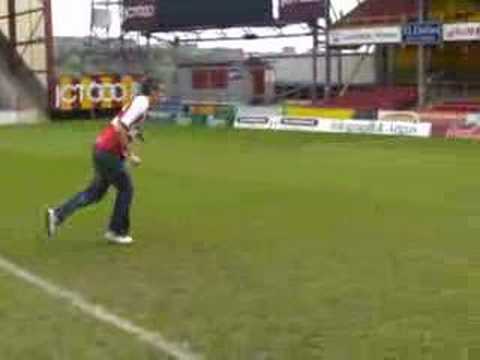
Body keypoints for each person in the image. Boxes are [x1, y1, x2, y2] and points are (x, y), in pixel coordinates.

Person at [46, 80, 164, 245]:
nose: (162, 96)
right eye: (160, 91)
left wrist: (135, 133)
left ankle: (57, 215)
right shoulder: (142, 102)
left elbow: (121, 123)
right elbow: (121, 127)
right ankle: (116, 232)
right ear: (152, 91)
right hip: (108, 152)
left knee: (95, 193)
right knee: (126, 189)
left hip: (102, 149)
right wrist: (130, 155)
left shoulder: (139, 102)